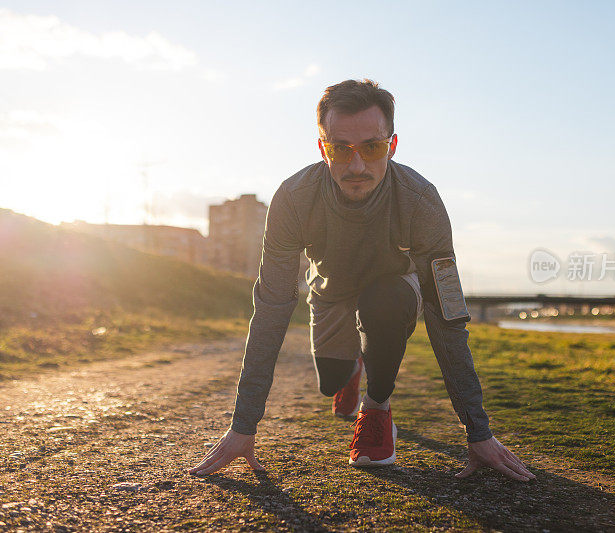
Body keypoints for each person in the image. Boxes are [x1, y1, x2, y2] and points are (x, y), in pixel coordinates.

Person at [189, 79, 535, 481]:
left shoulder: (420, 200)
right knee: (330, 383)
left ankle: (376, 405)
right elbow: (272, 307)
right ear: (322, 148)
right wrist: (243, 426)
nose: (356, 166)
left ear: (392, 145)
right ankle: (353, 367)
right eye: (340, 149)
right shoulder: (294, 198)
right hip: (330, 292)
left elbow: (447, 312)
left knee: (384, 301)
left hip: (393, 288)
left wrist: (479, 432)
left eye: (371, 148)